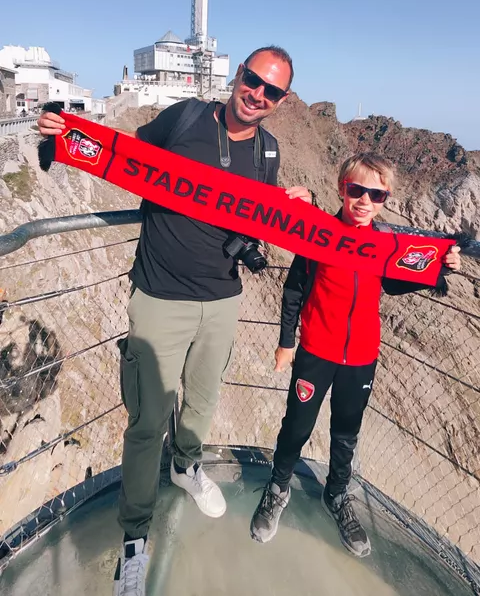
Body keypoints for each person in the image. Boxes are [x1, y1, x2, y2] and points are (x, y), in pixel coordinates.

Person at [38, 46, 312, 596]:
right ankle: (135, 540)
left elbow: (255, 213)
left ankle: (187, 466)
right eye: (253, 79)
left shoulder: (269, 151)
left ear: (280, 102)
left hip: (223, 299)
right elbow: (122, 155)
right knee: (145, 425)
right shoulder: (184, 117)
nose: (257, 94)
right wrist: (62, 134)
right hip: (160, 295)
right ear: (238, 75)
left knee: (203, 401)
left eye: (271, 91)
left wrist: (287, 201)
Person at [250, 152, 461, 557]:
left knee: (346, 433)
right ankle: (278, 489)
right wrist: (286, 340)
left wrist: (441, 269)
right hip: (316, 349)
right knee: (297, 425)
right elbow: (295, 287)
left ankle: (337, 495)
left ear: (387, 197)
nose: (364, 200)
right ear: (341, 189)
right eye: (356, 190)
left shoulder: (383, 243)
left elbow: (394, 283)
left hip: (362, 355)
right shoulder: (320, 233)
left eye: (376, 194)